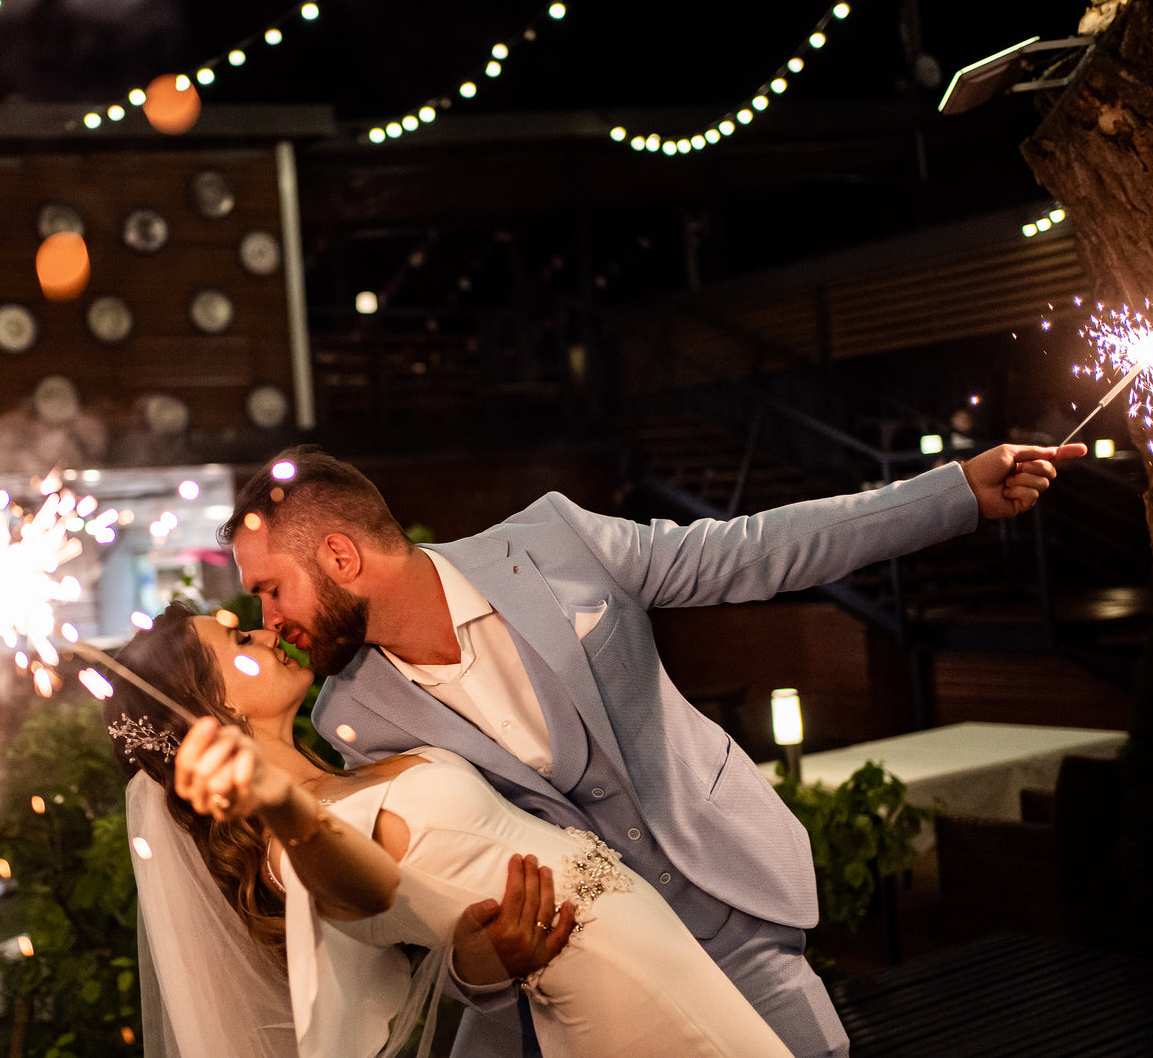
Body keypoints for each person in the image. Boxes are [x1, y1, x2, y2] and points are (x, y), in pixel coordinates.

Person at [220, 440, 1086, 1058]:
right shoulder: (349, 720)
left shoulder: (555, 542)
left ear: (339, 554)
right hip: (598, 988)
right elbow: (414, 912)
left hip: (728, 896)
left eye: (269, 589)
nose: (270, 622)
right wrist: (478, 971)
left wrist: (956, 492)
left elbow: (754, 552)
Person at [105, 601, 794, 1058]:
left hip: (665, 952)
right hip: (609, 993)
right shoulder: (292, 852)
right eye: (236, 640)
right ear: (212, 704)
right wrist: (277, 800)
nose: (262, 630)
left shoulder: (351, 764)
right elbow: (363, 890)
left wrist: (470, 962)